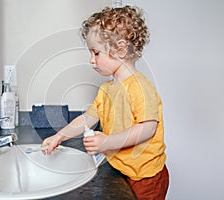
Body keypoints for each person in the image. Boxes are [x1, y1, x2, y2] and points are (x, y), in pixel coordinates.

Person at [42, 5, 169, 200]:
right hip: (122, 170)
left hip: (145, 176)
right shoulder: (106, 89)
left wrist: (108, 142)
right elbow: (88, 118)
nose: (91, 60)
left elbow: (147, 128)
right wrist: (59, 136)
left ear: (121, 49)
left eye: (96, 53)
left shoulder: (140, 87)